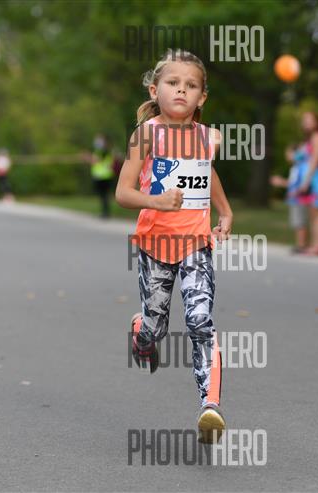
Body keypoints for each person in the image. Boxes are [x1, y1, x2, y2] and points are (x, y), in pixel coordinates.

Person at [115, 49, 232, 443]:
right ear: (155, 90)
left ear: (202, 97)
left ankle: (210, 406)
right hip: (155, 243)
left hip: (196, 243)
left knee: (200, 321)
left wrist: (225, 211)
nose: (182, 90)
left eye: (191, 85)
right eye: (173, 83)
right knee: (156, 326)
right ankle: (141, 332)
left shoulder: (208, 137)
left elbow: (207, 174)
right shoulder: (146, 135)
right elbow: (123, 193)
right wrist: (157, 201)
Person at [292, 111, 318, 255]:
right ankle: (315, 245)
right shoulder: (309, 139)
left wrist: (306, 181)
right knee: (313, 213)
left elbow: (315, 159)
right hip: (311, 179)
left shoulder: (317, 136)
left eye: (309, 120)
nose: (306, 122)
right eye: (304, 120)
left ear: (317, 122)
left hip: (316, 180)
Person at [271, 145, 308, 253]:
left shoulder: (300, 167)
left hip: (298, 199)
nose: (286, 156)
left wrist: (280, 182)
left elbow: (296, 184)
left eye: (288, 153)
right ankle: (300, 244)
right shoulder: (297, 167)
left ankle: (301, 245)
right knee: (297, 221)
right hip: (295, 199)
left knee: (299, 221)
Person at [86, 134, 115, 218]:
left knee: (104, 196)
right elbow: (95, 161)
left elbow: (97, 160)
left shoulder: (105, 151)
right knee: (103, 196)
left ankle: (106, 213)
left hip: (105, 177)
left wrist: (90, 158)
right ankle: (105, 212)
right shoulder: (99, 152)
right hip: (100, 177)